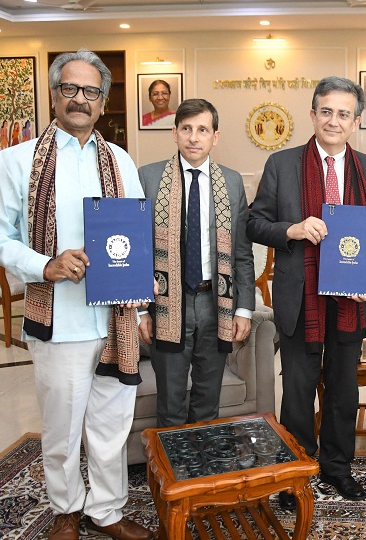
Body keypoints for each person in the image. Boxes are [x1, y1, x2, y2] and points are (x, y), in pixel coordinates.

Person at [0, 49, 154, 540]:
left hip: (116, 320)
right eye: (70, 88)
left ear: (103, 101)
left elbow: (135, 236)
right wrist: (45, 265)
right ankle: (66, 508)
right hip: (60, 319)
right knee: (62, 427)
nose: (80, 98)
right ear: (54, 95)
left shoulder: (120, 160)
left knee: (111, 424)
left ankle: (107, 510)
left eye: (91, 91)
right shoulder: (18, 160)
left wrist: (141, 301)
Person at [247, 76, 366, 509]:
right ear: (313, 115)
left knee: (342, 390)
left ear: (356, 121)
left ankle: (337, 468)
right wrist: (292, 229)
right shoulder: (282, 165)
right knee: (297, 390)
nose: (334, 121)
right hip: (300, 299)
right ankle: (295, 472)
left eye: (344, 114)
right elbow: (255, 223)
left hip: (351, 301)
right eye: (327, 112)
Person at [138, 98, 254, 427]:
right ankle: (171, 461)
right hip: (165, 302)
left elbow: (242, 252)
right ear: (174, 133)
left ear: (215, 137)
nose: (193, 137)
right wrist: (141, 311)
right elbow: (138, 249)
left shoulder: (231, 182)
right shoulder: (148, 178)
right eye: (186, 129)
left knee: (207, 400)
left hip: (216, 303)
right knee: (170, 401)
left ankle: (203, 460)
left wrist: (244, 309)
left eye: (202, 130)